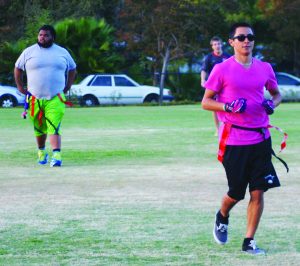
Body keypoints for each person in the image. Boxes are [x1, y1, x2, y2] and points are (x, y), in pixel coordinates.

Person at [201, 22, 282, 254]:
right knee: (236, 192)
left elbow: (277, 95)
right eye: (241, 37)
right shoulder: (221, 69)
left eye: (250, 37)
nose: (246, 40)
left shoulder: (265, 67)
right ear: (232, 42)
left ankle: (249, 241)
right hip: (235, 141)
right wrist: (227, 106)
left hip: (261, 138)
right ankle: (222, 214)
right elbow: (206, 101)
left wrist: (271, 104)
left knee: (258, 191)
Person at [14, 25, 76, 167]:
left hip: (55, 98)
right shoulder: (28, 52)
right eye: (40, 35)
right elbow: (17, 68)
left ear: (52, 37)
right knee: (39, 127)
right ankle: (41, 152)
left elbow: (73, 69)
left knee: (54, 126)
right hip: (34, 98)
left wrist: (67, 86)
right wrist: (19, 86)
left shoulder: (62, 52)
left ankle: (57, 155)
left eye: (46, 35)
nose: (42, 37)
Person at [201, 36, 230, 136]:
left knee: (228, 105)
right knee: (214, 107)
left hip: (226, 85)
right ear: (212, 46)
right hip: (213, 86)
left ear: (221, 44)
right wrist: (202, 80)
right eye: (214, 44)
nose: (217, 46)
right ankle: (218, 129)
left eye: (218, 44)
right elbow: (204, 70)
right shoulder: (209, 57)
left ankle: (228, 126)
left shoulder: (228, 56)